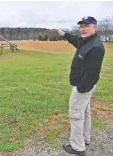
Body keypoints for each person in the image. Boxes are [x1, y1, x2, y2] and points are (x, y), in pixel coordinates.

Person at [57, 16, 105, 156]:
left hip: (83, 87)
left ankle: (78, 147)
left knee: (76, 115)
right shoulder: (85, 41)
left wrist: (80, 89)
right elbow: (75, 40)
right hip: (84, 86)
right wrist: (65, 34)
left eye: (86, 26)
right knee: (84, 112)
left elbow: (92, 74)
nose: (83, 28)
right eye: (81, 26)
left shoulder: (95, 47)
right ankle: (85, 138)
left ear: (94, 27)